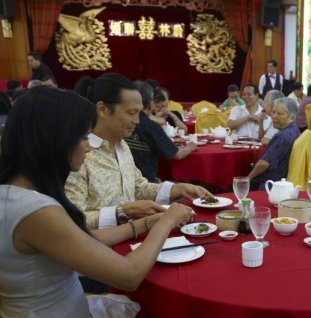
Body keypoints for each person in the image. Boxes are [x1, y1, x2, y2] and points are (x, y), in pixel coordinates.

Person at [0, 87, 195, 318]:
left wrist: (144, 224)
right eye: (81, 138)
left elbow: (86, 239)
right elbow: (130, 275)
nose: (88, 148)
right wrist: (168, 221)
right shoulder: (36, 211)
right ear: (53, 141)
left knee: (152, 309)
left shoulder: (13, 195)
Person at [65, 73, 210, 230]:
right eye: (130, 113)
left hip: (133, 238)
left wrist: (179, 189)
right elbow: (73, 220)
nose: (137, 121)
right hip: (99, 248)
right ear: (103, 109)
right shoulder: (78, 154)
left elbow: (138, 187)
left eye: (139, 113)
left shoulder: (122, 145)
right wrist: (126, 211)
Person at [125, 81, 196, 182]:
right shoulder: (149, 126)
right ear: (151, 104)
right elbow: (177, 154)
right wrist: (191, 147)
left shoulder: (121, 121)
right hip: (146, 183)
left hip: (124, 179)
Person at [248, 97, 301, 190]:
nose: (274, 116)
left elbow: (263, 164)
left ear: (292, 116)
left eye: (280, 113)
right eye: (273, 112)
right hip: (282, 178)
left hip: (269, 183)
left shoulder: (282, 136)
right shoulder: (295, 130)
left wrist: (248, 178)